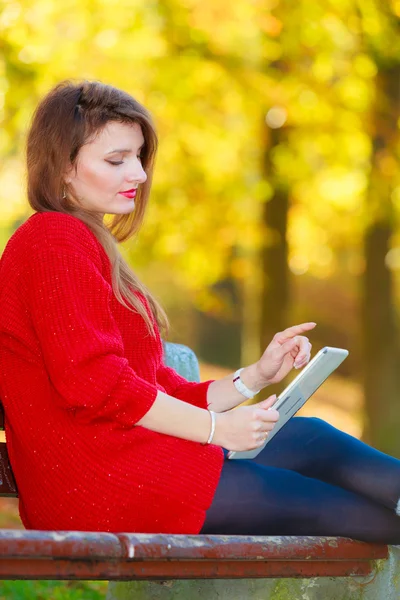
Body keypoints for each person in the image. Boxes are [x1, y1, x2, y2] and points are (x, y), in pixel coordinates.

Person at [0, 80, 400, 543]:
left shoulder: (83, 241)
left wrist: (253, 376)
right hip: (103, 480)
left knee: (311, 437)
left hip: (136, 460)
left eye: (138, 157)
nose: (139, 175)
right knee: (337, 511)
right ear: (64, 167)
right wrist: (217, 430)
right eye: (116, 160)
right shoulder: (52, 239)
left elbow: (151, 386)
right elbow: (96, 385)